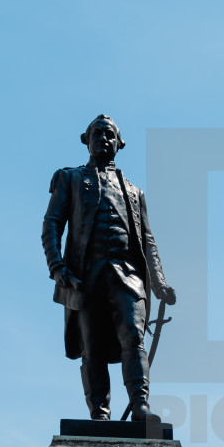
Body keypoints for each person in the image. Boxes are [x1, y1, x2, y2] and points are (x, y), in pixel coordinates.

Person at [41, 115, 176, 422]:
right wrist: (57, 267)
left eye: (110, 134)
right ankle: (99, 413)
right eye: (97, 133)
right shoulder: (69, 178)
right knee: (92, 346)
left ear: (119, 143)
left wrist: (159, 283)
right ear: (86, 139)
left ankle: (140, 406)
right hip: (84, 277)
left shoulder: (134, 192)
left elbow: (148, 242)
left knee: (132, 336)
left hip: (127, 276)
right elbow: (51, 225)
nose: (103, 138)